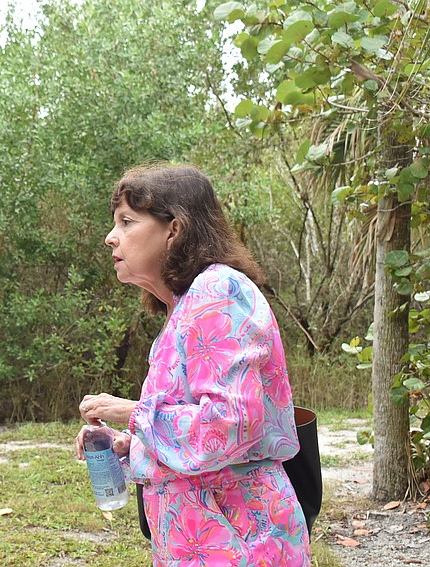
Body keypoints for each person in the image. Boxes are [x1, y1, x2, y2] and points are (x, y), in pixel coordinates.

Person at [74, 163, 310, 566]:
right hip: (206, 539)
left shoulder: (219, 290)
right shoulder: (185, 305)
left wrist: (132, 413)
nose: (111, 237)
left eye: (127, 222)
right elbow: (201, 440)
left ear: (174, 229)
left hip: (240, 541)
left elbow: (232, 423)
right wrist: (132, 446)